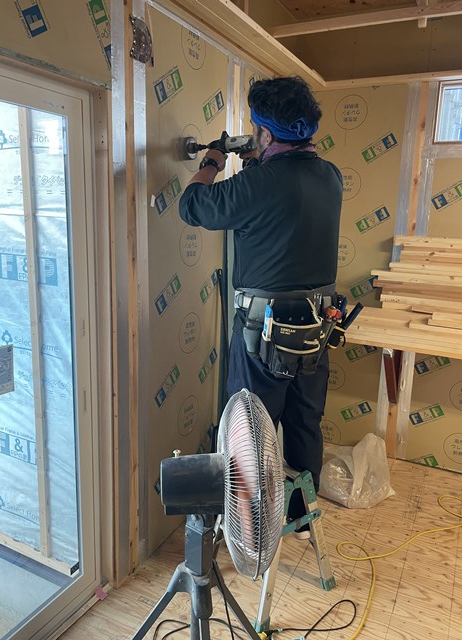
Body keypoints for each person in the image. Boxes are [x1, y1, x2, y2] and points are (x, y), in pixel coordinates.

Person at [179, 76, 343, 533]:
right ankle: (301, 518)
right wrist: (258, 161)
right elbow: (283, 202)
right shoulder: (330, 177)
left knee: (250, 430)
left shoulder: (257, 185)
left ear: (267, 133)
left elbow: (193, 205)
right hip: (316, 328)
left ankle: (252, 529)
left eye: (257, 129)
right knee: (305, 422)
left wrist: (213, 161)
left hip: (263, 334)